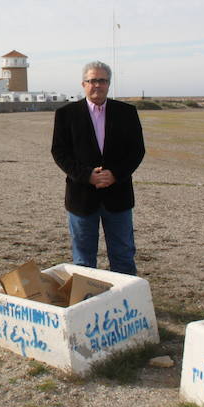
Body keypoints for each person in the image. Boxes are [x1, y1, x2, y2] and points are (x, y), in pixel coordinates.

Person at [51, 61, 145, 275]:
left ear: (108, 84)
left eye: (102, 80)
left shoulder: (127, 112)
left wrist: (116, 174)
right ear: (83, 84)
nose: (97, 85)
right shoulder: (66, 114)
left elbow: (137, 150)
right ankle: (85, 304)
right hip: (82, 197)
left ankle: (125, 304)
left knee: (123, 255)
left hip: (118, 196)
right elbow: (59, 152)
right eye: (92, 80)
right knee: (83, 260)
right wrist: (87, 176)